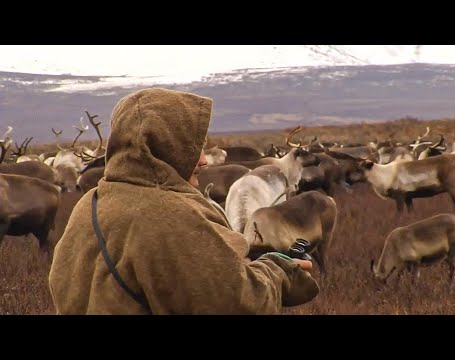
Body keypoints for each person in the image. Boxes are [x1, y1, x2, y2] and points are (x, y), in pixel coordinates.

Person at [48, 87, 320, 315]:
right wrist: (279, 271)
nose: (203, 160)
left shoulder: (90, 203)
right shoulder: (169, 215)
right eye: (193, 148)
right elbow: (236, 303)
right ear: (164, 148)